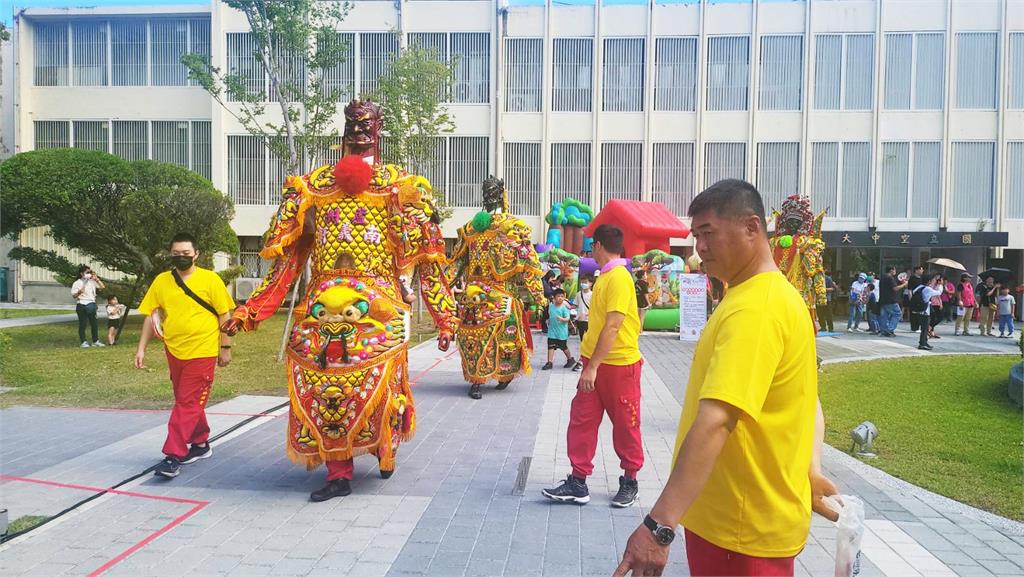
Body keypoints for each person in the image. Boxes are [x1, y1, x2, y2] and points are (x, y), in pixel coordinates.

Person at [221, 100, 458, 501]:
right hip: (320, 306)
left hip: (379, 304)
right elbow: (287, 261)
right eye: (353, 125)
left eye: (367, 126)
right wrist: (251, 310)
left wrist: (445, 315)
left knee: (379, 384)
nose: (359, 132)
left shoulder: (401, 186)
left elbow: (429, 262)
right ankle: (337, 470)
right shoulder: (312, 187)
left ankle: (385, 446)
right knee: (319, 380)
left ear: (379, 129)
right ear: (343, 130)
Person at [613, 180, 838, 577]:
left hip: (741, 529)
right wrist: (811, 466)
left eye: (708, 234)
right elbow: (809, 402)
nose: (699, 247)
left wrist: (659, 524)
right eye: (695, 235)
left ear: (752, 228)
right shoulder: (769, 295)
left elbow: (717, 419)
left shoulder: (757, 309)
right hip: (741, 519)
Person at [542, 224, 644, 509]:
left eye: (591, 246)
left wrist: (592, 367)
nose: (589, 251)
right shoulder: (606, 277)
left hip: (618, 364)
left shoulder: (619, 278)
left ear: (598, 245)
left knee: (625, 422)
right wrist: (590, 363)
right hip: (594, 362)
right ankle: (578, 480)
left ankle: (630, 480)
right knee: (582, 419)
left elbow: (613, 326)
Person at [134, 233, 235, 478]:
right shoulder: (161, 281)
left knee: (187, 403)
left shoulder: (210, 280)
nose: (181, 258)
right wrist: (141, 348)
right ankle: (200, 444)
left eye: (186, 254)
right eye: (176, 254)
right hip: (174, 350)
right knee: (187, 401)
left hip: (202, 351)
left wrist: (225, 348)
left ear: (197, 254)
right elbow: (151, 315)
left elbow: (226, 316)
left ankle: (173, 455)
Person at [451, 177, 547, 399]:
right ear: (504, 195)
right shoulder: (481, 228)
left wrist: (539, 298)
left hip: (483, 296)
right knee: (480, 338)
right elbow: (529, 268)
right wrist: (538, 298)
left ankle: (486, 378)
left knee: (485, 338)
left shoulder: (475, 227)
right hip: (488, 297)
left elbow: (455, 265)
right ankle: (484, 377)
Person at [71, 265, 106, 348]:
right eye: (87, 272)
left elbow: (102, 287)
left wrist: (96, 279)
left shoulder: (92, 281)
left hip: (91, 304)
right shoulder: (77, 283)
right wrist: (79, 292)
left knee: (94, 324)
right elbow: (74, 295)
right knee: (82, 324)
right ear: (81, 273)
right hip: (82, 304)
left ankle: (95, 340)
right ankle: (83, 341)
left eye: (90, 272)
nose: (89, 274)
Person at [542, 289, 576, 371]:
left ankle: (570, 359)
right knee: (550, 346)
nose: (560, 298)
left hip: (561, 332)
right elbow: (549, 316)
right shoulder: (551, 306)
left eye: (562, 296)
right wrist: (548, 321)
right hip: (552, 331)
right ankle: (549, 362)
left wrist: (562, 319)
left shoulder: (564, 308)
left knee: (563, 346)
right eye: (558, 296)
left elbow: (567, 318)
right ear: (554, 297)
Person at [910, 273, 943, 351]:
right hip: (925, 311)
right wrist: (940, 285)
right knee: (924, 329)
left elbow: (914, 292)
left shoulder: (919, 287)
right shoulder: (928, 289)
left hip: (918, 310)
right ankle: (922, 343)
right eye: (933, 280)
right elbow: (938, 293)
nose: (934, 281)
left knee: (924, 328)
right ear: (929, 281)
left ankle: (925, 342)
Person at [878, 266, 906, 337]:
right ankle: (889, 330)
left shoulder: (882, 277)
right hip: (891, 300)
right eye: (894, 270)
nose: (895, 271)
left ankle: (883, 330)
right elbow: (895, 288)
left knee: (884, 316)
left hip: (883, 299)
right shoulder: (890, 278)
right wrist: (904, 285)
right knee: (897, 314)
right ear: (891, 270)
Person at [572, 277, 593, 372]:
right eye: (582, 282)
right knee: (583, 341)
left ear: (590, 283)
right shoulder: (578, 294)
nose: (583, 284)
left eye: (585, 282)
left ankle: (582, 361)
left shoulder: (593, 295)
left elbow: (595, 309)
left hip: (589, 321)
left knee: (588, 341)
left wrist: (586, 314)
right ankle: (584, 359)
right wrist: (563, 303)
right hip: (580, 321)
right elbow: (574, 306)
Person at [908, 265, 924, 331]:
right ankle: (913, 327)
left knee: (919, 312)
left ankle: (917, 326)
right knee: (913, 313)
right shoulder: (912, 278)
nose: (922, 271)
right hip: (914, 297)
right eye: (921, 269)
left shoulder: (921, 278)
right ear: (917, 270)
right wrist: (910, 298)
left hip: (920, 297)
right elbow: (909, 289)